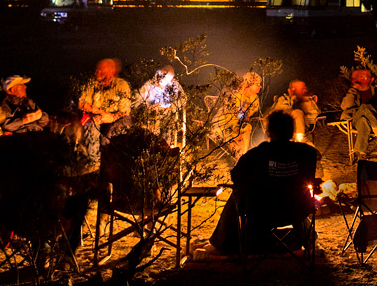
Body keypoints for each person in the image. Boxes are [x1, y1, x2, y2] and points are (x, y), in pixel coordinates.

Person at [204, 110, 318, 256]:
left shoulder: (258, 154)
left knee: (236, 193)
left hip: (262, 212)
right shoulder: (306, 153)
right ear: (291, 131)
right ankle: (309, 239)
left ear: (269, 131)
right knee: (295, 195)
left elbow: (236, 176)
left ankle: (222, 244)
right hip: (297, 210)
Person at [340, 67, 377, 160]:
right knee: (365, 107)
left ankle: (361, 154)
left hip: (376, 120)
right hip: (356, 120)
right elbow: (344, 106)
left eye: (363, 77)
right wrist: (352, 90)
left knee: (364, 121)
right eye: (358, 77)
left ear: (370, 80)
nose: (360, 80)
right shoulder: (352, 91)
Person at [78, 57, 134, 144]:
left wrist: (111, 118)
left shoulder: (122, 86)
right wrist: (100, 113)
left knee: (113, 131)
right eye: (97, 71)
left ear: (112, 72)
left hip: (117, 119)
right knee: (91, 127)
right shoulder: (92, 83)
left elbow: (124, 112)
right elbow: (82, 104)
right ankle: (93, 156)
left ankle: (108, 152)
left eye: (101, 72)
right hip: (97, 116)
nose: (97, 74)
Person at [212, 71, 263, 157]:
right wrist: (237, 132)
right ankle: (240, 159)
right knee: (238, 139)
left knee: (247, 128)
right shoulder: (235, 95)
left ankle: (242, 157)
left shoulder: (254, 99)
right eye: (257, 84)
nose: (260, 86)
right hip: (222, 125)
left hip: (236, 126)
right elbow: (228, 116)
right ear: (249, 84)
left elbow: (246, 117)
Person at [136, 66, 185, 143]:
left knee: (168, 125)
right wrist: (150, 106)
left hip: (168, 115)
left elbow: (183, 99)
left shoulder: (175, 85)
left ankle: (166, 147)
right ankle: (152, 146)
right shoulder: (148, 85)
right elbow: (137, 100)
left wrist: (172, 106)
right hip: (151, 115)